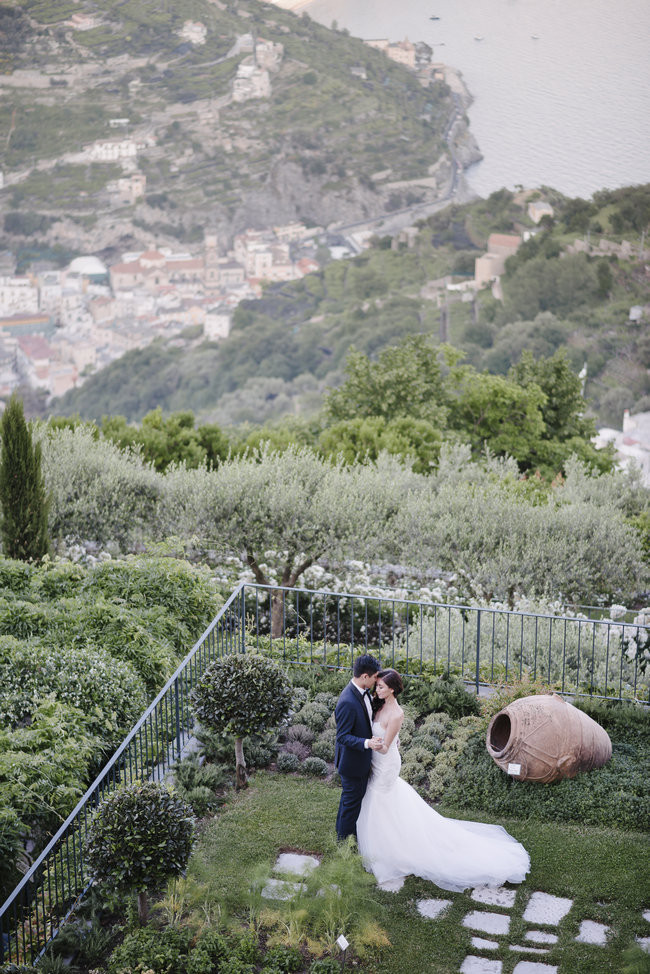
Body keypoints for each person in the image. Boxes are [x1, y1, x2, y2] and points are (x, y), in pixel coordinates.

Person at [356, 668, 530, 891]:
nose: (376, 689)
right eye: (377, 685)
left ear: (391, 689)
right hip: (376, 761)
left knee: (380, 800)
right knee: (381, 802)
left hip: (384, 763)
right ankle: (385, 846)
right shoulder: (376, 703)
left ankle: (389, 852)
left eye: (380, 686)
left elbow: (386, 748)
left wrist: (368, 743)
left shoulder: (397, 714)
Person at [334, 653, 384, 841]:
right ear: (364, 676)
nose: (375, 681)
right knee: (351, 805)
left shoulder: (363, 693)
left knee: (349, 802)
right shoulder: (347, 701)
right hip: (352, 764)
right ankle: (344, 845)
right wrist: (366, 743)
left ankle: (342, 836)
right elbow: (342, 736)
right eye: (374, 678)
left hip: (359, 762)